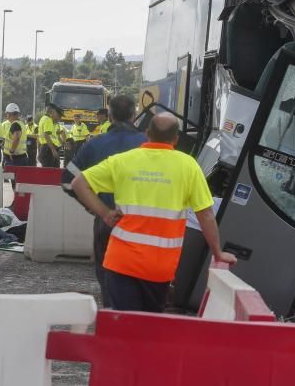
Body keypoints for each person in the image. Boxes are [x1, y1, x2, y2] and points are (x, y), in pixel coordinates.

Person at [71, 113, 236, 312]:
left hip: (121, 262)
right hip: (159, 268)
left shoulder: (122, 161)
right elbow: (206, 214)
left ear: (147, 134)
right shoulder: (188, 166)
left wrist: (104, 213)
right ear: (176, 139)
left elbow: (78, 183)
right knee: (148, 327)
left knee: (121, 327)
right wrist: (218, 253)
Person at [62, 95, 145, 307]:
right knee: (141, 281)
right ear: (134, 115)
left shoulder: (94, 144)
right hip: (142, 224)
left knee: (108, 279)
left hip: (106, 221)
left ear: (109, 116)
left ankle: (111, 318)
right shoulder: (148, 144)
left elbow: (67, 181)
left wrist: (95, 208)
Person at [2, 103, 29, 167]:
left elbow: (16, 138)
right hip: (20, 157)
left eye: (7, 114)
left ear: (9, 114)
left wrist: (11, 152)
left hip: (14, 158)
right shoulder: (21, 124)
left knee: (11, 176)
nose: (7, 116)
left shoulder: (15, 125)